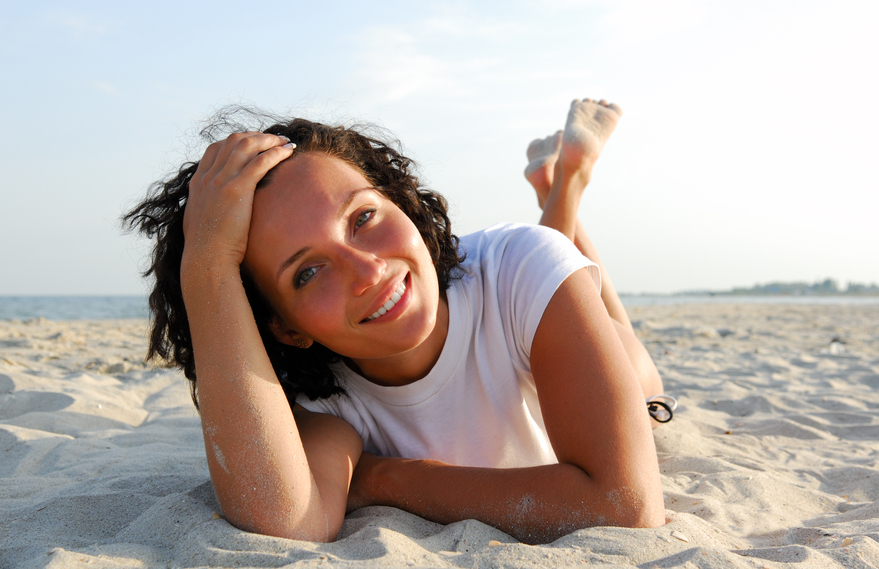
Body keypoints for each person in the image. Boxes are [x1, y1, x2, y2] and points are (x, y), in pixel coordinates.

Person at [124, 98, 670, 545]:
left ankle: (567, 185)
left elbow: (624, 505)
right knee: (561, 264)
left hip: (555, 304)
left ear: (400, 201)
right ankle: (561, 185)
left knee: (616, 336)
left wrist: (385, 477)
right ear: (286, 328)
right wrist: (207, 262)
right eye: (308, 272)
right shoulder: (321, 398)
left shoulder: (519, 266)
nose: (366, 271)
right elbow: (287, 520)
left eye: (363, 217)